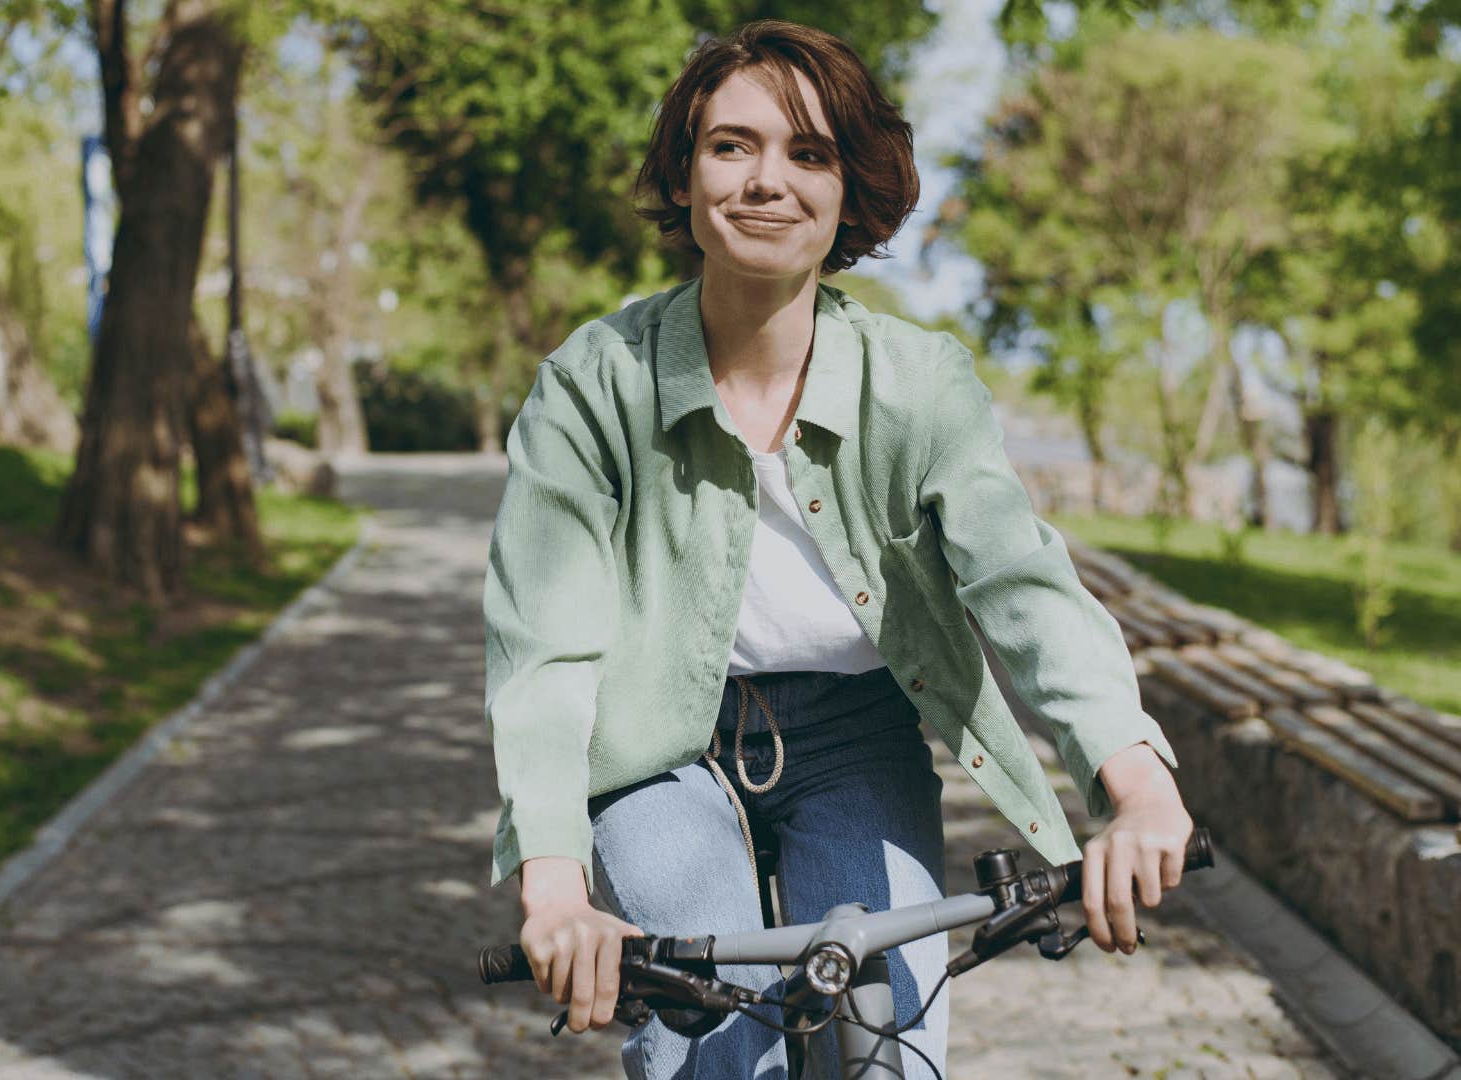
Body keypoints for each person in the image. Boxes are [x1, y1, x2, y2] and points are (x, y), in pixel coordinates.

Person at [481, 18, 1196, 1080]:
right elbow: (544, 649)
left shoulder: (920, 383)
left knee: (886, 1048)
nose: (767, 180)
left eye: (809, 153)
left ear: (848, 191)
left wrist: (1134, 785)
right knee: (720, 1037)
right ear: (684, 175)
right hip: (656, 752)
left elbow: (1021, 583)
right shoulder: (596, 384)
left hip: (858, 735)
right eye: (732, 146)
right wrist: (554, 884)